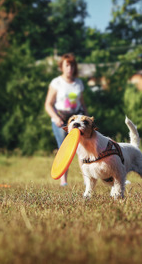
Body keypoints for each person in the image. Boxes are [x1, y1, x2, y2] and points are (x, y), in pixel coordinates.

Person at [45, 53, 88, 187]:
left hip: (77, 117)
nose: (69, 68)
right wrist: (55, 117)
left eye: (72, 65)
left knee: (82, 149)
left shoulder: (78, 83)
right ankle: (63, 181)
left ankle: (87, 179)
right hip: (61, 119)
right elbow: (48, 104)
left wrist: (88, 119)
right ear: (61, 67)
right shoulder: (56, 83)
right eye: (67, 65)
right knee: (63, 149)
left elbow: (82, 103)